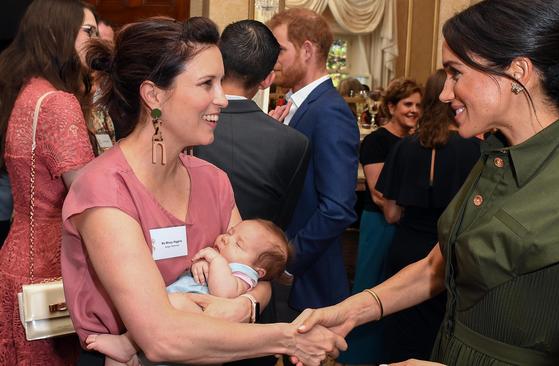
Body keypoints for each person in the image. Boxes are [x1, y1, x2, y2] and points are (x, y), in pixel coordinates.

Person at [295, 1, 559, 365]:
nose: (445, 93)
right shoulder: (496, 159)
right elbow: (438, 265)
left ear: (519, 72)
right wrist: (351, 311)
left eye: (456, 73)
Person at [61, 16, 345, 366]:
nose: (222, 99)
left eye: (220, 82)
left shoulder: (213, 180)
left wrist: (242, 305)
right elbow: (161, 338)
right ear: (154, 96)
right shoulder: (104, 191)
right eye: (207, 83)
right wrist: (285, 336)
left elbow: (260, 275)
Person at [0, 0, 97, 364]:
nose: (93, 40)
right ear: (59, 33)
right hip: (52, 264)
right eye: (86, 32)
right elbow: (88, 191)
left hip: (16, 254)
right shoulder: (58, 102)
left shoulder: (26, 92)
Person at [376, 70, 480, 362]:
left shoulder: (404, 146)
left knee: (399, 332)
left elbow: (392, 213)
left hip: (406, 249)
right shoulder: (475, 150)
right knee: (440, 335)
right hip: (450, 253)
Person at [84, 219, 291, 365]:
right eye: (230, 232)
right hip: (164, 323)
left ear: (258, 271)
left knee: (170, 307)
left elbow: (224, 293)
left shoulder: (245, 274)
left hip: (195, 317)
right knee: (119, 355)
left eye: (238, 243)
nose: (227, 239)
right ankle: (123, 351)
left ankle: (126, 344)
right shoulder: (227, 260)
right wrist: (202, 264)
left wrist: (214, 260)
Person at [267, 9, 359, 314]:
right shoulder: (297, 105)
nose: (273, 59)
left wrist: (290, 260)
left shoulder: (329, 112)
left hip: (306, 278)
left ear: (307, 50)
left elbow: (337, 208)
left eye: (280, 50)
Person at [194, 19, 309, 231]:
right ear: (267, 80)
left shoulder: (186, 123)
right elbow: (281, 221)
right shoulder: (293, 143)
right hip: (252, 257)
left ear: (218, 60)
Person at [338, 77, 422, 364]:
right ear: (391, 106)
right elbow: (377, 193)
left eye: (419, 105)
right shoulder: (377, 141)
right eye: (407, 104)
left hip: (404, 224)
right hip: (381, 224)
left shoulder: (417, 142)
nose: (414, 110)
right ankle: (358, 357)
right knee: (372, 286)